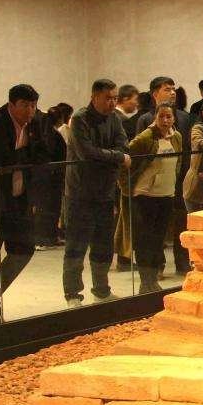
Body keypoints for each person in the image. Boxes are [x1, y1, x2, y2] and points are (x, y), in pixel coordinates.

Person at [0, 83, 49, 326]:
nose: (30, 110)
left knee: (23, 249)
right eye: (25, 105)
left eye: (33, 105)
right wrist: (25, 156)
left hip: (18, 198)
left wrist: (24, 157)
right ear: (11, 104)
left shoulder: (36, 122)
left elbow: (44, 155)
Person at [63, 79, 130, 306]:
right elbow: (86, 153)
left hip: (105, 192)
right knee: (76, 246)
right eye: (108, 98)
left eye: (115, 98)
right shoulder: (79, 119)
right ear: (94, 97)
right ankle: (73, 294)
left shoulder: (115, 119)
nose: (112, 102)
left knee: (103, 245)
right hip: (79, 193)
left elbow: (123, 144)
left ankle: (101, 291)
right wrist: (116, 157)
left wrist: (112, 156)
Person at [137, 76, 193, 274]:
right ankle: (156, 264)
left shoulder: (184, 117)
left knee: (181, 220)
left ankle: (182, 262)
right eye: (167, 89)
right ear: (155, 94)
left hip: (179, 177)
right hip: (154, 182)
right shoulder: (145, 119)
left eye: (173, 89)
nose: (172, 92)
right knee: (155, 225)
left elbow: (187, 148)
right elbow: (140, 152)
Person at [127, 103, 182, 292]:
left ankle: (152, 279)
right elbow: (128, 161)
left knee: (158, 240)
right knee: (145, 240)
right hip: (145, 196)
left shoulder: (177, 137)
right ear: (155, 118)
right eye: (161, 117)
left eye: (169, 116)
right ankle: (145, 281)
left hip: (166, 195)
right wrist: (127, 187)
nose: (165, 120)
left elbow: (178, 163)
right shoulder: (145, 138)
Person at [33, 103, 71, 249]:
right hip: (52, 178)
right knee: (50, 209)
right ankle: (45, 238)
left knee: (46, 208)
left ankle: (47, 237)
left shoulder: (45, 134)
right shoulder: (55, 135)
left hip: (46, 178)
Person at [113, 84, 141, 272]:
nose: (136, 104)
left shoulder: (122, 119)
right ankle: (123, 257)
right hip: (122, 174)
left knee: (125, 217)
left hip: (123, 173)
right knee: (125, 217)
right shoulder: (120, 120)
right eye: (134, 100)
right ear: (124, 99)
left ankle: (123, 256)